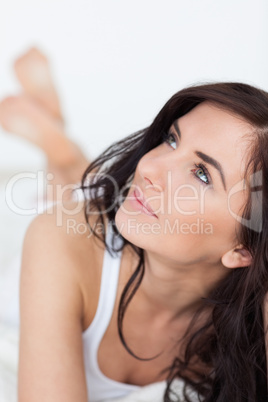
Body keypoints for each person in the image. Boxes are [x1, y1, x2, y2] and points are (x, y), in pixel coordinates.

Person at [1, 49, 268, 402]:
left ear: (244, 248)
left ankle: (61, 146)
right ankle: (60, 150)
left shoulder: (251, 319)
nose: (148, 166)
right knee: (75, 207)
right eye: (171, 139)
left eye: (202, 174)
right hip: (74, 252)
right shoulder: (60, 240)